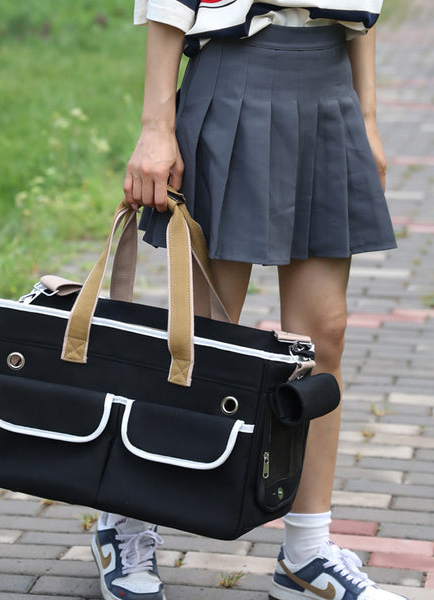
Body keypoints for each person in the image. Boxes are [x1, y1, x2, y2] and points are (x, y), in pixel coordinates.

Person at [91, 2, 406, 600]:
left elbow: (359, 9)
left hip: (327, 82)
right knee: (206, 336)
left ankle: (306, 553)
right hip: (236, 73)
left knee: (322, 338)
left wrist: (367, 115)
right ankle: (126, 522)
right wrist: (157, 126)